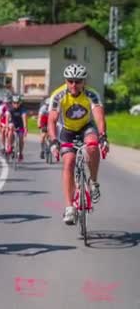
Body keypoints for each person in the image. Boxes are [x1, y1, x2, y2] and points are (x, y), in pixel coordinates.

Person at [48, 64, 108, 225]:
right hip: (67, 130)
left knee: (93, 146)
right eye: (70, 81)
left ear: (84, 81)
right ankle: (69, 208)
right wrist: (53, 141)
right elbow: (52, 120)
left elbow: (99, 116)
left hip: (86, 127)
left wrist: (103, 136)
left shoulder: (91, 94)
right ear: (66, 81)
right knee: (68, 162)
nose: (74, 85)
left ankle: (93, 182)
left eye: (78, 81)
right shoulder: (58, 95)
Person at [5, 94, 28, 161]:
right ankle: (10, 146)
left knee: (21, 139)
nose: (16, 104)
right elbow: (7, 118)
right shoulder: (10, 109)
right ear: (12, 103)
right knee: (10, 128)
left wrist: (25, 128)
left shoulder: (22, 109)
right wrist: (6, 128)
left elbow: (24, 117)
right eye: (14, 103)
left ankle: (20, 153)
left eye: (17, 103)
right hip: (13, 124)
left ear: (20, 102)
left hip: (20, 125)